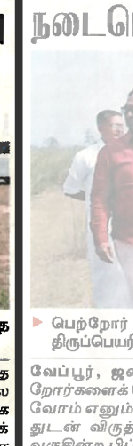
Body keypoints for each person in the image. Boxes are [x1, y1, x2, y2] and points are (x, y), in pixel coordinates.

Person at [64, 109, 131, 308]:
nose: (119, 130)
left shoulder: (125, 152)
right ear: (100, 128)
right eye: (114, 126)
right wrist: (98, 202)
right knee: (106, 277)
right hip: (100, 227)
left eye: (121, 126)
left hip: (124, 227)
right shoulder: (86, 156)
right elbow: (71, 189)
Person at [91, 93, 133, 300]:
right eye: (128, 109)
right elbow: (100, 199)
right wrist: (100, 237)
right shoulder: (110, 152)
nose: (130, 114)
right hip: (127, 241)